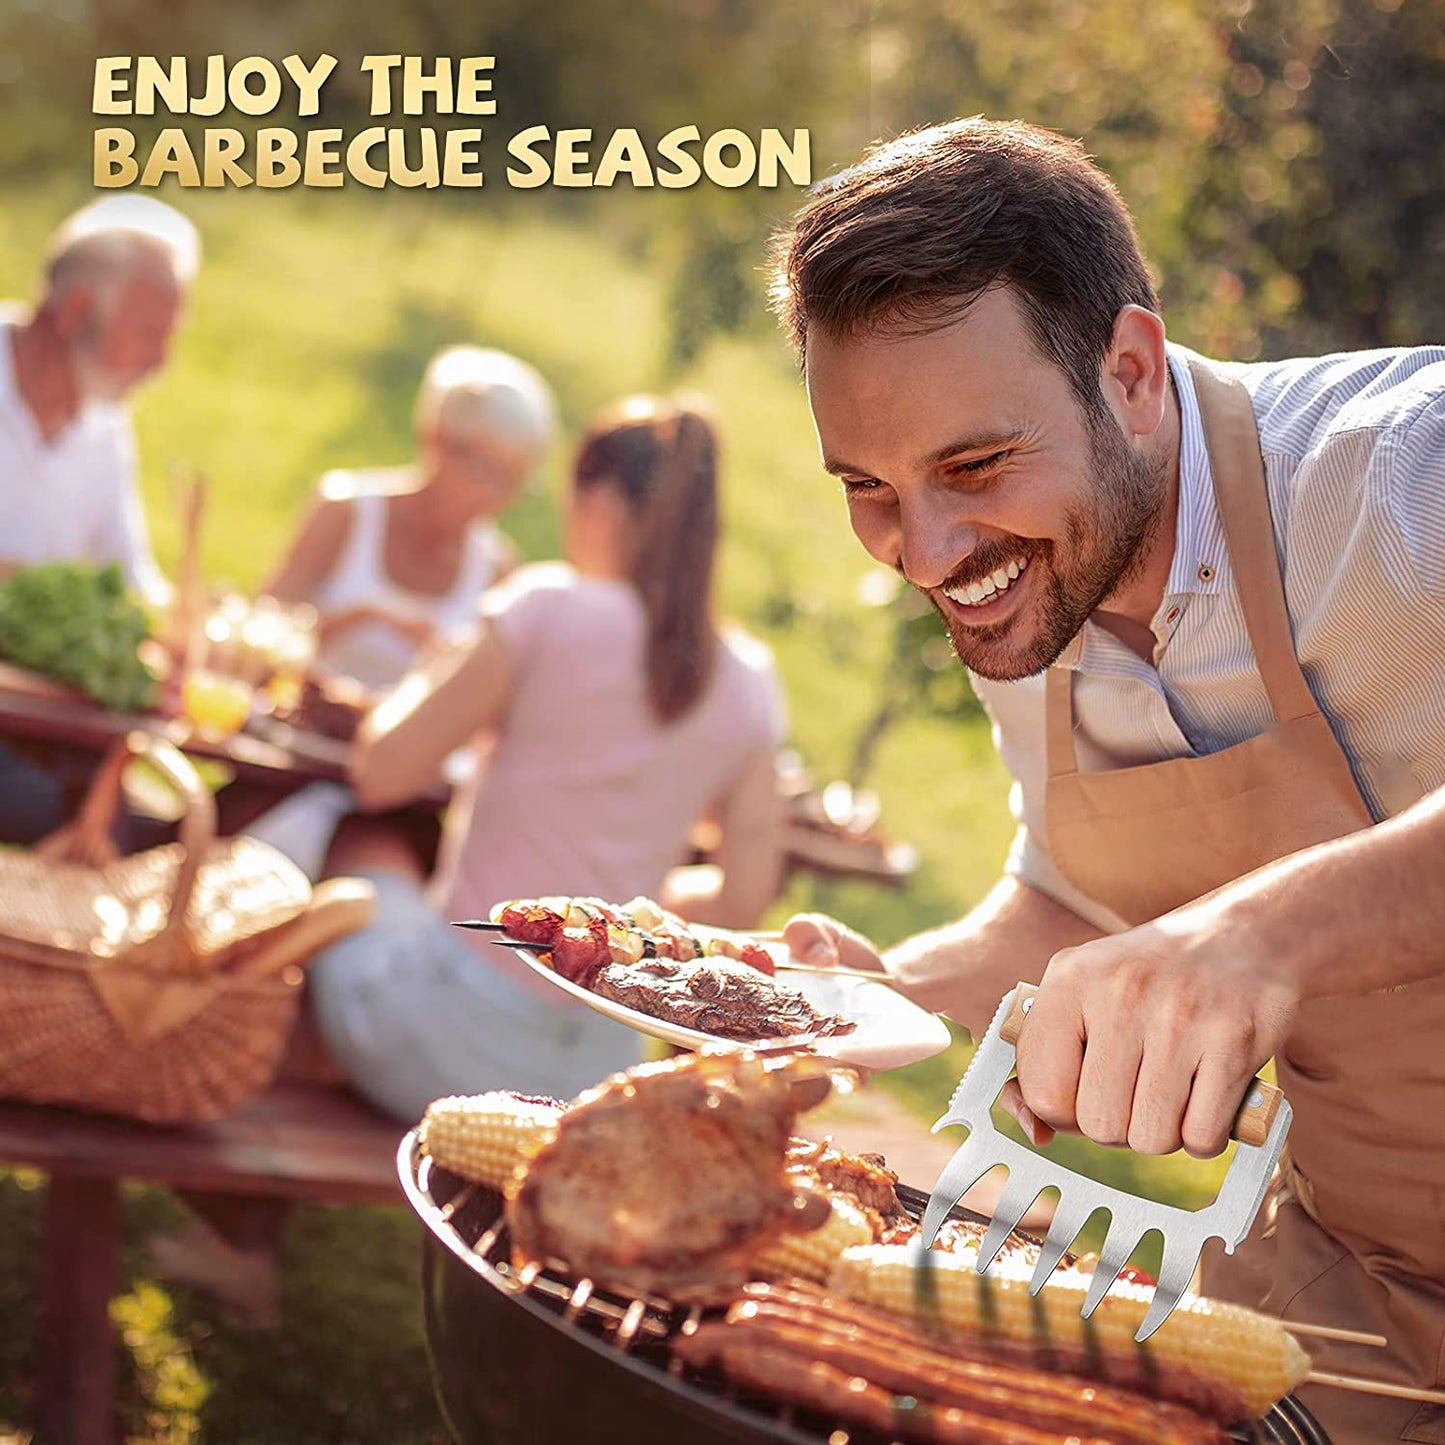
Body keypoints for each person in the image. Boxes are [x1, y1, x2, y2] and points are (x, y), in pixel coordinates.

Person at [769, 117, 1445, 1442]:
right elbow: (1080, 899)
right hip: (1360, 1277)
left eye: (973, 465)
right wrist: (874, 998)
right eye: (870, 488)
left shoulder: (1402, 475)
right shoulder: (1022, 575)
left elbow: (1222, 926)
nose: (924, 551)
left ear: (1129, 368)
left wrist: (1263, 931)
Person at [305, 395, 789, 1120]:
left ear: (600, 501)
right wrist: (624, 899)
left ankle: (251, 1127)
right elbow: (744, 896)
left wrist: (434, 664)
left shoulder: (546, 608)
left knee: (360, 840)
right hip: (591, 1077)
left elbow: (382, 771)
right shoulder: (748, 681)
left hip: (442, 1042)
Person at [0, 195, 197, 843]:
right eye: (149, 334)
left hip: (41, 719)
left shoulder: (105, 427)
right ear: (76, 311)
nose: (162, 362)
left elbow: (131, 578)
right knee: (87, 819)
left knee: (162, 832)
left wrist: (184, 623)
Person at [266, 344, 556, 694]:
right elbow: (260, 636)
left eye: (512, 481)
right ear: (434, 440)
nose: (494, 497)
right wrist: (364, 617)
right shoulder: (346, 511)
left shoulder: (496, 569)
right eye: (484, 472)